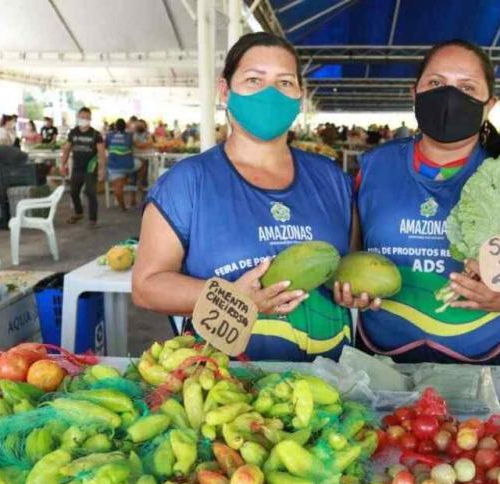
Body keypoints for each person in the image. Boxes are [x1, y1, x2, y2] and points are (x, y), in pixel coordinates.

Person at [132, 32, 353, 361]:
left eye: (284, 82)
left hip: (332, 383)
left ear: (299, 96)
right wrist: (232, 296)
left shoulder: (333, 179)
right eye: (253, 79)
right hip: (224, 387)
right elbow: (147, 286)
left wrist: (355, 291)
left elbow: (350, 265)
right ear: (225, 91)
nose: (270, 93)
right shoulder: (188, 182)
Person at [339, 39, 500, 364]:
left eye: (467, 87)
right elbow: (350, 258)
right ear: (415, 93)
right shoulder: (375, 166)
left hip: (486, 358)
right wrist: (349, 291)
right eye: (436, 83)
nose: (450, 97)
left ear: (489, 103)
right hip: (381, 357)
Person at [60, 107, 105, 225]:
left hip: (91, 167)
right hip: (77, 167)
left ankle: (92, 219)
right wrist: (62, 164)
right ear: (78, 118)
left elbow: (101, 153)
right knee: (74, 191)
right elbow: (67, 149)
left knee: (90, 192)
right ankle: (78, 212)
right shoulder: (73, 132)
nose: (84, 120)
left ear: (90, 119)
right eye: (82, 117)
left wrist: (101, 169)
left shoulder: (96, 134)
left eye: (86, 118)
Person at [105, 118, 141, 211]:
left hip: (113, 166)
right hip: (128, 165)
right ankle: (139, 182)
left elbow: (106, 147)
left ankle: (122, 207)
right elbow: (135, 147)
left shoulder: (109, 136)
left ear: (115, 127)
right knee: (141, 163)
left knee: (117, 187)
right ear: (125, 127)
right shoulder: (129, 136)